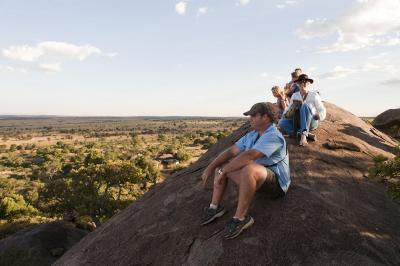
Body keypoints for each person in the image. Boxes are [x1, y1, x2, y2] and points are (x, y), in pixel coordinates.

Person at [200, 102, 290, 239]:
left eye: (254, 115)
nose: (250, 118)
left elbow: (250, 156)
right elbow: (231, 151)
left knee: (248, 169)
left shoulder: (273, 136)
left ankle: (240, 219)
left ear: (265, 117)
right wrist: (210, 168)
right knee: (221, 166)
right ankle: (214, 208)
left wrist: (224, 171)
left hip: (276, 184)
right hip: (257, 179)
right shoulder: (252, 135)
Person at [278, 74, 326, 146]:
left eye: (305, 82)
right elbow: (289, 108)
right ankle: (303, 133)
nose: (303, 84)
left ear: (309, 84)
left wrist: (319, 116)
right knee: (282, 123)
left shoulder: (314, 95)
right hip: (298, 121)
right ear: (297, 84)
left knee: (304, 105)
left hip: (311, 121)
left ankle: (303, 136)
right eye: (300, 82)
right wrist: (285, 115)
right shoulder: (295, 95)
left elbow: (322, 109)